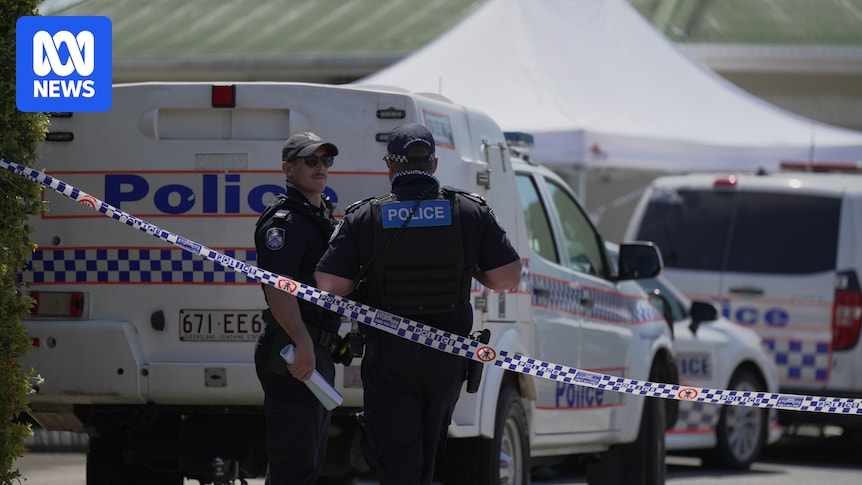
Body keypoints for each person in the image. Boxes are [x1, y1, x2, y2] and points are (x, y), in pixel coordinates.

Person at [315, 123, 522, 485]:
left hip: (390, 356)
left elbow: (330, 284)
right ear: (434, 163)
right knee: (429, 451)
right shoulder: (470, 212)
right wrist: (472, 270)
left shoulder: (366, 215)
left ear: (389, 166)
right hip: (447, 356)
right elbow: (507, 277)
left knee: (398, 457)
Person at [253, 132, 342, 484]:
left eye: (325, 160)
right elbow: (277, 289)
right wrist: (303, 342)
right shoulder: (285, 223)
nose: (320, 167)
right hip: (292, 349)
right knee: (295, 466)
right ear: (288, 170)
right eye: (311, 161)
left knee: (307, 463)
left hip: (314, 349)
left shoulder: (317, 215)